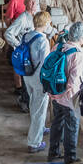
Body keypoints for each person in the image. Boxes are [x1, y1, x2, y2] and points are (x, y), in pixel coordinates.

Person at [47, 20, 83, 164]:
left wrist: (55, 93)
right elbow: (74, 81)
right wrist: (75, 99)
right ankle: (70, 158)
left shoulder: (57, 46)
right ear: (81, 37)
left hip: (55, 93)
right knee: (72, 126)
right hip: (69, 98)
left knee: (57, 122)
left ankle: (53, 152)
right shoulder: (76, 54)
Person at [23, 11, 54, 152]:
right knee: (40, 110)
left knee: (33, 104)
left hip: (27, 75)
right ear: (46, 23)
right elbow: (45, 64)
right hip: (38, 78)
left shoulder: (27, 36)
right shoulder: (43, 40)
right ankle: (34, 143)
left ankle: (40, 128)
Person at [5, 0, 38, 110]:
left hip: (33, 53)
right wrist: (18, 46)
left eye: (35, 2)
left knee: (30, 78)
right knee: (25, 78)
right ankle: (24, 102)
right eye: (30, 1)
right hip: (25, 53)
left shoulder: (35, 16)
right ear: (25, 3)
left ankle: (28, 100)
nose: (33, 4)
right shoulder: (22, 18)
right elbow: (8, 33)